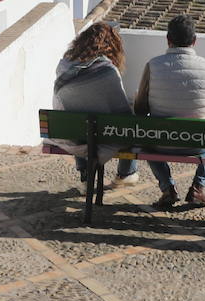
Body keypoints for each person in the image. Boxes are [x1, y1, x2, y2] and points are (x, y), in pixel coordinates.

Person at [134, 14, 205, 209]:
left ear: (168, 40)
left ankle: (168, 188)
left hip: (160, 141)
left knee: (145, 143)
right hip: (198, 143)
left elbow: (140, 109)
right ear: (194, 41)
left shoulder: (153, 65)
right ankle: (198, 187)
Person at [53, 21, 140, 188]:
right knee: (130, 124)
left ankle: (86, 177)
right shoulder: (107, 71)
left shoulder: (64, 66)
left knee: (77, 119)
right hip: (102, 136)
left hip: (70, 137)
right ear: (111, 45)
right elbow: (121, 111)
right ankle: (126, 173)